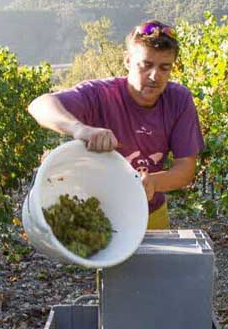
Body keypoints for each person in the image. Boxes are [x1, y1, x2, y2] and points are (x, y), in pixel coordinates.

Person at [27, 20, 204, 229]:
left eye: (164, 68)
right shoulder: (99, 94)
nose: (155, 76)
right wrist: (80, 129)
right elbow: (39, 106)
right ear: (128, 61)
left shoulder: (179, 100)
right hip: (99, 215)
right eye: (146, 65)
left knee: (156, 262)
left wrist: (153, 183)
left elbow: (185, 168)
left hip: (150, 213)